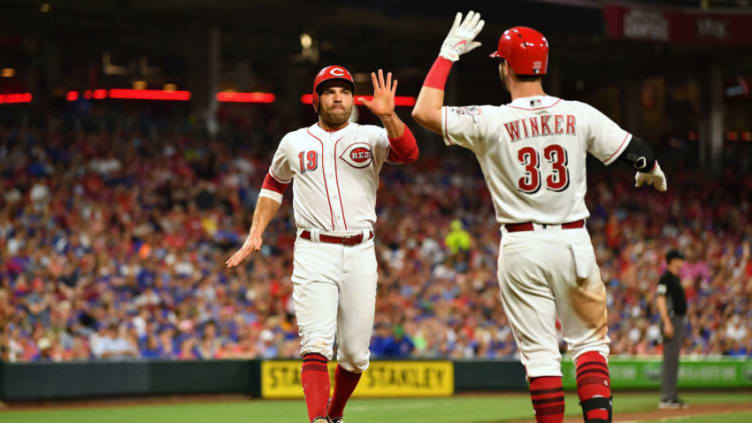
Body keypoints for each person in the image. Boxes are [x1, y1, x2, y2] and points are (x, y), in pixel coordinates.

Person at [411, 11, 667, 423]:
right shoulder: (579, 113)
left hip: (522, 245)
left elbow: (424, 111)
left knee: (540, 355)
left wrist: (448, 54)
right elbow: (638, 149)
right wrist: (648, 167)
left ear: (507, 67)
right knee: (588, 345)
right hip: (573, 242)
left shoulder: (490, 120)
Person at [226, 65, 418, 423]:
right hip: (314, 249)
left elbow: (409, 153)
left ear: (351, 98)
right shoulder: (294, 141)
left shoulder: (371, 136)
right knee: (315, 344)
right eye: (329, 91)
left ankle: (334, 414)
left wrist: (390, 117)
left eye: (344, 91)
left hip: (361, 251)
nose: (338, 97)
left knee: (356, 355)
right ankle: (318, 421)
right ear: (316, 100)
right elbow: (273, 185)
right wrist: (256, 232)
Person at [656, 250, 687, 409]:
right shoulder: (666, 277)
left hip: (677, 320)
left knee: (674, 360)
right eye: (679, 259)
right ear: (672, 260)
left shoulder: (674, 278)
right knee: (669, 360)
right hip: (671, 319)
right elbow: (660, 300)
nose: (682, 262)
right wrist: (667, 322)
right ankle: (666, 397)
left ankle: (672, 396)